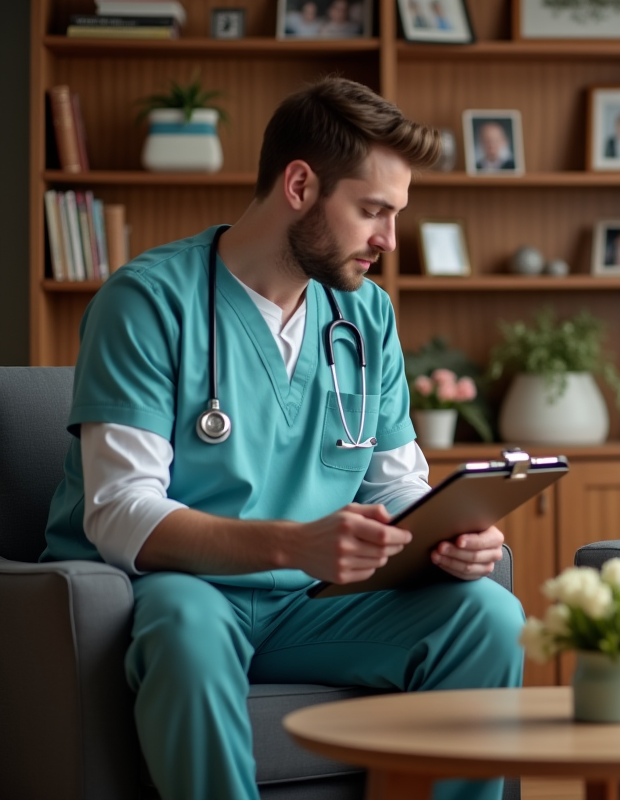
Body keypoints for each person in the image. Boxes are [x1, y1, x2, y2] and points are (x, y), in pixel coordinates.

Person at [40, 78, 525, 800]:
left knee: (488, 614)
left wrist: (447, 531)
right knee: (185, 631)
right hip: (188, 589)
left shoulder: (366, 316)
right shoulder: (146, 301)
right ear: (300, 184)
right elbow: (117, 511)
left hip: (315, 601)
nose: (389, 241)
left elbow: (393, 480)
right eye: (372, 211)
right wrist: (291, 545)